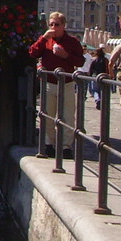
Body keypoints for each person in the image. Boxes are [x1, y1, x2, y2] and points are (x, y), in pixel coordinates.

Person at [29, 11, 84, 158]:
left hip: (66, 82)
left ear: (63, 26)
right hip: (49, 82)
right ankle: (49, 144)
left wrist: (65, 55)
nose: (54, 27)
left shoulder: (72, 42)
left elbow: (80, 61)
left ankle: (66, 146)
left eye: (57, 25)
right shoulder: (46, 40)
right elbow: (33, 53)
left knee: (67, 115)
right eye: (51, 24)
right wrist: (43, 39)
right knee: (47, 115)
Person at [88, 46, 109, 110]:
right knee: (102, 90)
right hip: (104, 76)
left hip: (95, 76)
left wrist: (90, 75)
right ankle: (103, 102)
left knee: (95, 91)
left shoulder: (94, 60)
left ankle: (97, 99)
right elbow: (107, 68)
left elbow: (91, 69)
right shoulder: (105, 60)